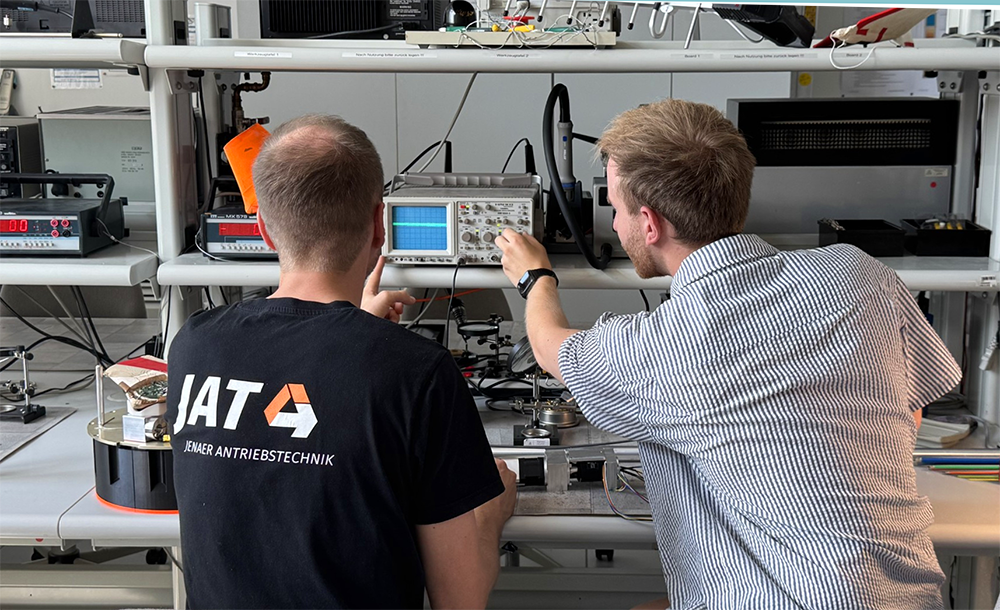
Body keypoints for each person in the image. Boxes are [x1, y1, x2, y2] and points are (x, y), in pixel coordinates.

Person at [495, 99, 960, 610]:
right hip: (912, 598)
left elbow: (549, 347)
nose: (614, 220)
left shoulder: (664, 347)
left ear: (649, 223)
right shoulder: (859, 272)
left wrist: (535, 277)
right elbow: (913, 406)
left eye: (615, 207)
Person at [166, 114, 517, 609]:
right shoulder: (418, 373)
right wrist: (491, 515)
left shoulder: (193, 346)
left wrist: (356, 330)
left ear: (264, 230)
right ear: (379, 226)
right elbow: (461, 600)